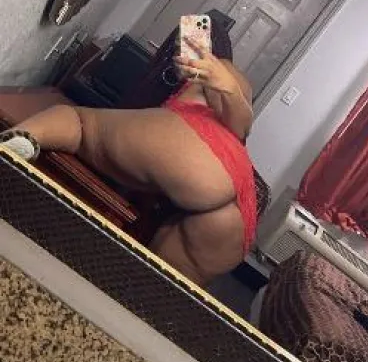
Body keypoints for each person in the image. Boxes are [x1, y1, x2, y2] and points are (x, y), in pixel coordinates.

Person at [0, 26, 257, 288]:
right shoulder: (224, 82)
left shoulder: (217, 72)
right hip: (239, 218)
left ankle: (24, 137)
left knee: (79, 124)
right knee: (157, 285)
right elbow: (241, 128)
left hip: (200, 157)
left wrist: (226, 87)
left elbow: (238, 119)